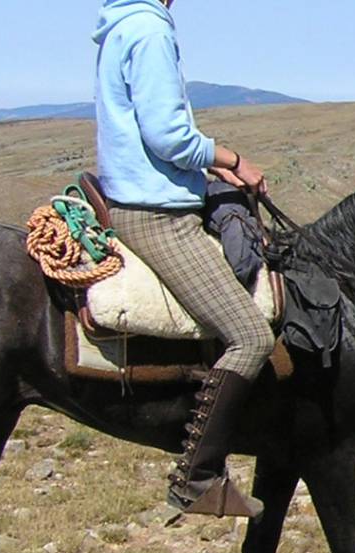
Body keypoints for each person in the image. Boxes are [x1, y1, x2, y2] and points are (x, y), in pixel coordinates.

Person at [94, 0, 271, 518]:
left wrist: (210, 173)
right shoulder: (150, 30)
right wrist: (233, 160)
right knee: (251, 336)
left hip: (146, 197)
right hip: (157, 216)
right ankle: (198, 477)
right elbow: (168, 136)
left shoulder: (122, 22)